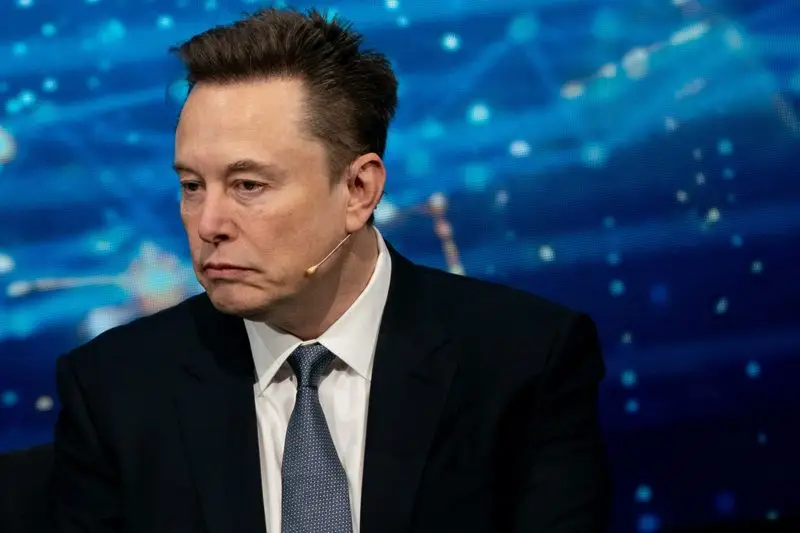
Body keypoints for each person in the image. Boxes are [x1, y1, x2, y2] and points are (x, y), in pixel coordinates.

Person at [51, 7, 610, 533]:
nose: (208, 223)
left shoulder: (525, 360)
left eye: (248, 185)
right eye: (192, 186)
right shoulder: (114, 388)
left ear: (358, 190)